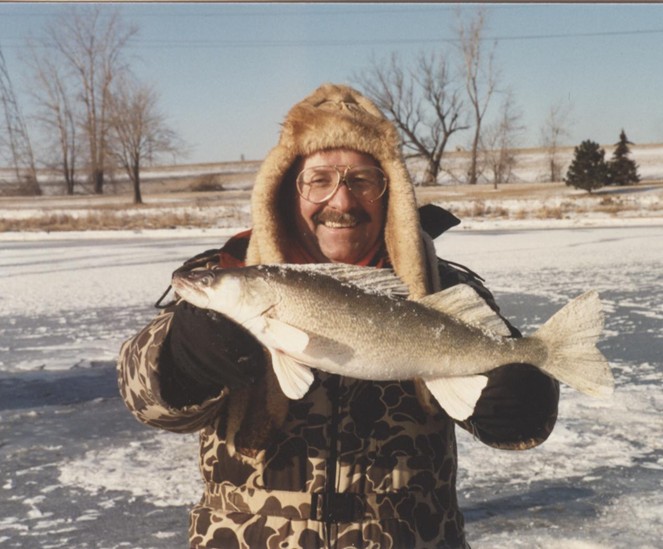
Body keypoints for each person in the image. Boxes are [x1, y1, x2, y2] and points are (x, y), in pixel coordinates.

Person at [117, 83, 559, 548]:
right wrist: (178, 360)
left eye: (362, 181)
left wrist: (524, 402)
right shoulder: (230, 275)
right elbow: (140, 395)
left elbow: (530, 417)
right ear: (288, 191)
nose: (342, 202)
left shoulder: (441, 288)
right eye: (319, 179)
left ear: (391, 193)